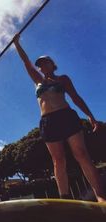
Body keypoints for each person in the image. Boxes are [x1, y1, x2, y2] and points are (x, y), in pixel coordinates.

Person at [12, 33, 105, 202]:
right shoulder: (37, 81)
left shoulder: (62, 79)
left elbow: (76, 98)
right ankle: (65, 199)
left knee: (81, 154)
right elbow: (26, 62)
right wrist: (17, 44)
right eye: (40, 65)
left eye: (45, 62)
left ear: (52, 64)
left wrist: (90, 116)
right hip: (48, 122)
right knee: (58, 160)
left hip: (66, 116)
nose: (42, 66)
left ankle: (100, 195)